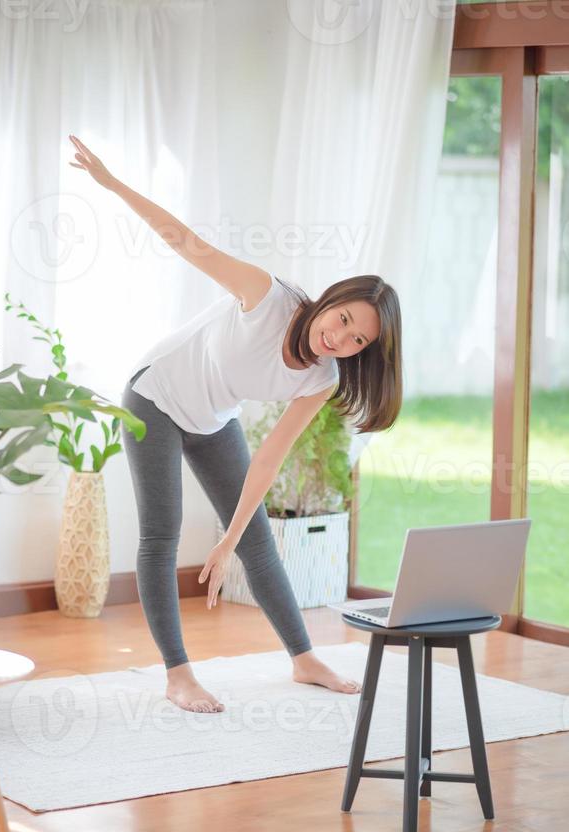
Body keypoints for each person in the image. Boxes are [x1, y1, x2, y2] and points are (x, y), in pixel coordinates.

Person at [68, 133, 403, 714]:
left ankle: (303, 658)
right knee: (161, 534)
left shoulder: (321, 377)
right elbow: (187, 244)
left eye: (357, 339)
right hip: (155, 396)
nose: (340, 337)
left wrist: (227, 540)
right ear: (329, 301)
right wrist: (113, 184)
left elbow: (270, 456)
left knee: (254, 540)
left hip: (210, 416)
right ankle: (178, 674)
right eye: (343, 318)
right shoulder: (266, 297)